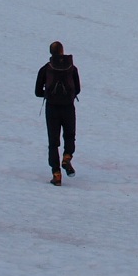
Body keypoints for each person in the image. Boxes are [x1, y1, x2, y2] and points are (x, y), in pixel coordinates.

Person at [35, 40, 80, 185]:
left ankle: (56, 175)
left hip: (52, 108)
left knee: (53, 142)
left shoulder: (45, 69)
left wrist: (50, 94)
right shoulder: (72, 68)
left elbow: (37, 92)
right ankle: (67, 158)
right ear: (62, 51)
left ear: (51, 53)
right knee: (70, 135)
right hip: (68, 107)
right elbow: (78, 89)